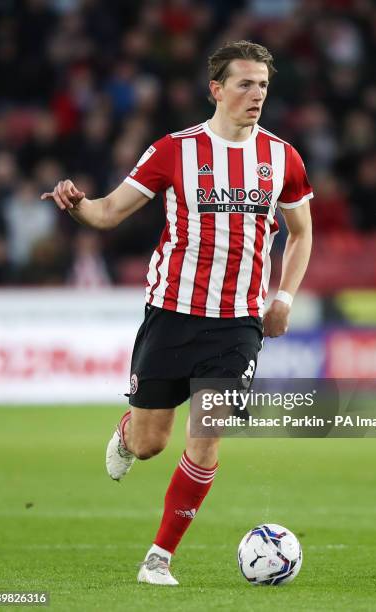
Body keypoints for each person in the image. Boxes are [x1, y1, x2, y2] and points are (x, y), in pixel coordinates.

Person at [41, 40, 313, 586]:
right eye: (244, 83)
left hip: (238, 324)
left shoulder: (282, 157)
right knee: (150, 444)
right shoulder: (173, 150)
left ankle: (158, 558)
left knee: (206, 436)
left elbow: (302, 232)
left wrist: (282, 298)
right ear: (216, 89)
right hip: (172, 312)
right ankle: (126, 432)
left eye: (262, 84)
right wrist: (78, 205)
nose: (256, 94)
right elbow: (110, 212)